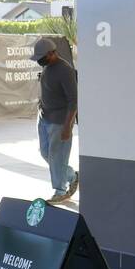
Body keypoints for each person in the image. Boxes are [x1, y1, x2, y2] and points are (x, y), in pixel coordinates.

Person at [31, 38, 78, 203]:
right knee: (46, 153)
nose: (39, 60)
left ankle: (60, 191)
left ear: (52, 53)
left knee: (57, 156)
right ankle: (72, 176)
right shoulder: (47, 66)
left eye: (41, 56)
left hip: (59, 121)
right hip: (44, 117)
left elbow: (73, 100)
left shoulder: (65, 70)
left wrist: (67, 127)